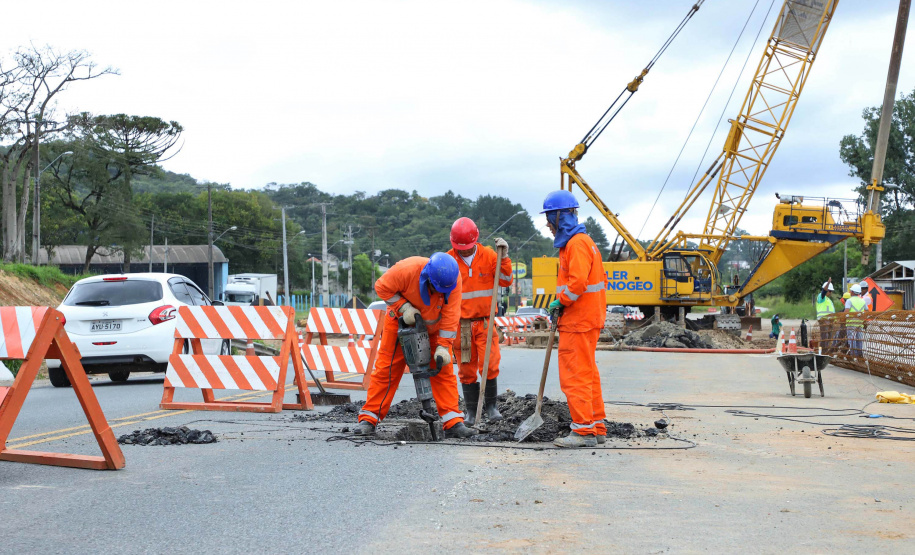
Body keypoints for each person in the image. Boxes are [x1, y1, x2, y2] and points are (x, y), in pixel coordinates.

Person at [354, 253, 478, 438]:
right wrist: (403, 307)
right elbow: (382, 287)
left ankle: (453, 422)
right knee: (387, 368)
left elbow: (452, 314)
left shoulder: (453, 280)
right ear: (427, 278)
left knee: (442, 370)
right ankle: (369, 419)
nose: (439, 294)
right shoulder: (407, 269)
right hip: (400, 323)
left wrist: (444, 346)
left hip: (435, 328)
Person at [541, 190, 607, 448]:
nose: (547, 224)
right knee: (588, 374)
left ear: (560, 216)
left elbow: (577, 283)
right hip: (587, 318)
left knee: (575, 375)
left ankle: (582, 432)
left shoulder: (576, 244)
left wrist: (561, 301)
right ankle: (596, 426)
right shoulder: (582, 241)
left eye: (549, 217)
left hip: (579, 320)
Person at [446, 217, 514, 426]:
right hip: (462, 325)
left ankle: (491, 407)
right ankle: (470, 410)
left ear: (475, 240)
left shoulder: (489, 256)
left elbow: (505, 279)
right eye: (460, 248)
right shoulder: (448, 260)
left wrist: (504, 257)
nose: (464, 251)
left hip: (485, 321)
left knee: (489, 363)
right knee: (466, 368)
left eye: (467, 247)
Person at [845, 283, 868, 358]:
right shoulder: (863, 301)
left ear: (852, 292)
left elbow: (846, 312)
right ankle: (860, 356)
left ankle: (853, 356)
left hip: (851, 324)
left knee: (852, 340)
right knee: (859, 340)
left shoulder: (849, 301)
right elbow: (867, 311)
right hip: (860, 324)